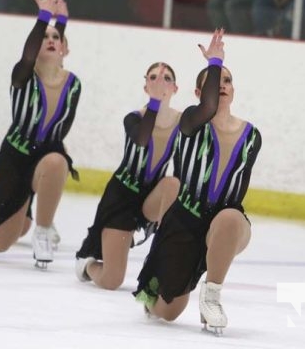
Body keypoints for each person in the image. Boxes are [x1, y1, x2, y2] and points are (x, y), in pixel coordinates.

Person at [75, 29, 225, 291]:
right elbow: (142, 140)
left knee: (173, 185)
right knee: (112, 280)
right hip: (121, 199)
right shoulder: (133, 118)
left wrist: (214, 64)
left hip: (151, 198)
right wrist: (155, 103)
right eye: (154, 78)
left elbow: (208, 108)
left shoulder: (182, 122)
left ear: (175, 88)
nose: (160, 82)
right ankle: (86, 265)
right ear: (146, 86)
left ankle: (161, 257)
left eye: (166, 78)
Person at [133, 59, 262, 335]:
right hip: (184, 223)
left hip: (225, 224)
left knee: (229, 217)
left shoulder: (252, 135)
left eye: (227, 80)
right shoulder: (189, 124)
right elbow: (207, 108)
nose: (222, 86)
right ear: (198, 93)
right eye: (215, 82)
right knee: (169, 312)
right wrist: (215, 61)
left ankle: (211, 297)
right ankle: (155, 301)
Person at [0, 0, 82, 268]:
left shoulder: (73, 84)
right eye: (44, 38)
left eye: (56, 37)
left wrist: (60, 23)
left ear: (64, 46)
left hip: (46, 156)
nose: (50, 40)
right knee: (3, 241)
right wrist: (44, 17)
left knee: (57, 160)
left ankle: (44, 230)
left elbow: (60, 132)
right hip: (14, 158)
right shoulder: (22, 76)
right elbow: (29, 55)